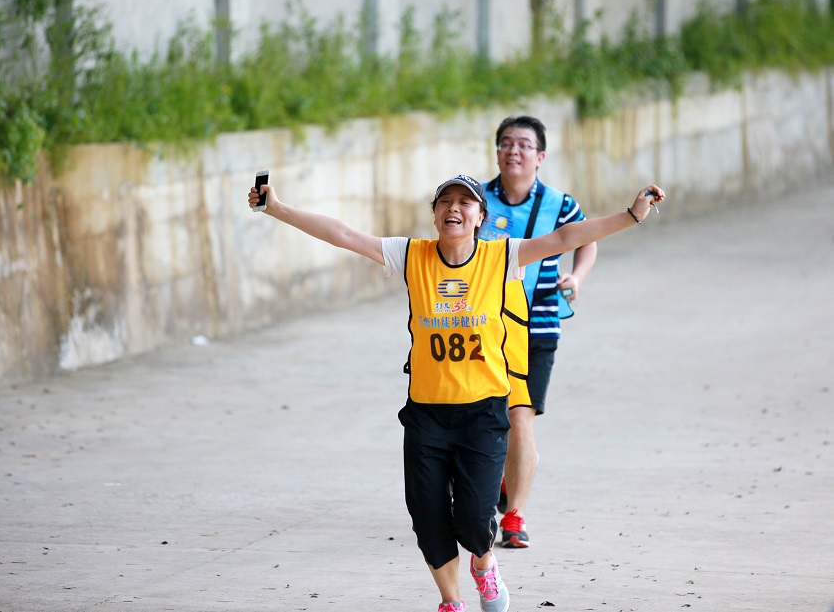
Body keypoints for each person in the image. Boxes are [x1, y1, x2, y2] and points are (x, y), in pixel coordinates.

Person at [248, 173, 663, 612]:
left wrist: (631, 215)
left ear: (481, 217)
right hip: (426, 414)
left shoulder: (502, 256)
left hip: (483, 414)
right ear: (434, 214)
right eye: (445, 201)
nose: (454, 208)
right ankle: (451, 601)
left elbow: (564, 237)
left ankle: (483, 564)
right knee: (427, 516)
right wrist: (276, 208)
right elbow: (345, 235)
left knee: (473, 518)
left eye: (466, 202)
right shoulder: (411, 255)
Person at [478, 115, 597, 549]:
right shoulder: (474, 199)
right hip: (482, 326)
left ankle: (513, 516)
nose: (514, 151)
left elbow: (586, 239)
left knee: (519, 416)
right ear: (497, 152)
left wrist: (576, 277)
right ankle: (495, 483)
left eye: (524, 145)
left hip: (537, 325)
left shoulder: (560, 204)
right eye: (506, 143)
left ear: (540, 156)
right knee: (480, 416)